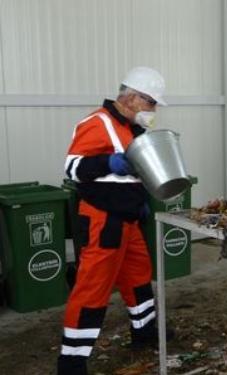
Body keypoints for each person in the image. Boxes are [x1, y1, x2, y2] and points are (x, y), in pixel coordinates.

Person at [58, 67, 169, 375]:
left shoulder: (132, 129)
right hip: (103, 220)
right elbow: (73, 168)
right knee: (93, 288)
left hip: (129, 219)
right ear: (132, 97)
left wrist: (140, 202)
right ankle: (72, 362)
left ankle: (144, 331)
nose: (154, 110)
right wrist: (109, 162)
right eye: (151, 103)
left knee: (138, 277)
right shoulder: (97, 123)